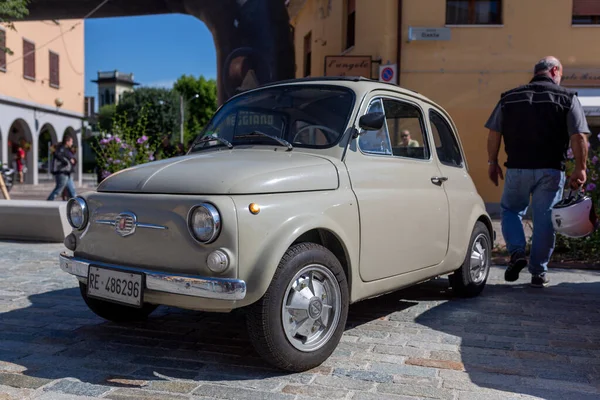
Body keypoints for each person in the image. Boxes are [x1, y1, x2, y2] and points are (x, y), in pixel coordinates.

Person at [484, 56, 590, 288]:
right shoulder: (567, 98)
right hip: (550, 170)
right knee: (544, 221)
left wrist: (492, 163)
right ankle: (538, 273)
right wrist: (580, 168)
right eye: (561, 73)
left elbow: (494, 133)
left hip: (517, 168)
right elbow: (578, 136)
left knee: (511, 211)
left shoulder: (509, 98)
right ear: (554, 71)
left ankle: (517, 253)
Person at [47, 136, 77, 201]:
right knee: (59, 189)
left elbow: (69, 158)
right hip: (62, 173)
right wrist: (67, 161)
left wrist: (72, 160)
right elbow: (58, 156)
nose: (72, 143)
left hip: (67, 173)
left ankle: (76, 204)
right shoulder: (62, 149)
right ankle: (49, 201)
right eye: (71, 141)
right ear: (67, 142)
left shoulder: (66, 150)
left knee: (72, 191)